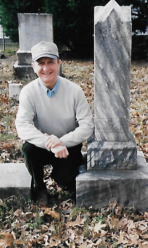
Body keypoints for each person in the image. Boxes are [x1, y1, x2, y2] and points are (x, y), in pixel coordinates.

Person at [15, 41, 94, 206]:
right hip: (42, 145)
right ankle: (40, 187)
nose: (46, 68)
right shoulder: (28, 92)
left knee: (65, 181)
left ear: (59, 63)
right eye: (40, 63)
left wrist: (62, 142)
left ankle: (62, 178)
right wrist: (49, 143)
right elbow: (22, 125)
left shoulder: (74, 90)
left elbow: (87, 125)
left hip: (68, 146)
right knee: (28, 149)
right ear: (33, 66)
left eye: (50, 62)